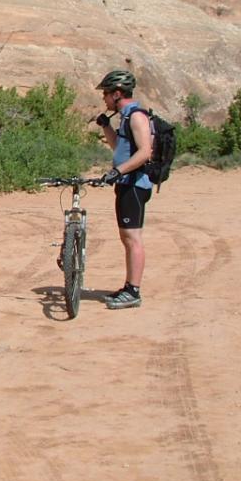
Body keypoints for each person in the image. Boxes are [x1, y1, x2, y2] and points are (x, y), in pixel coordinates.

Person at [94, 69, 153, 310]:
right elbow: (119, 147)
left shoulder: (137, 117)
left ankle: (133, 291)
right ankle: (129, 286)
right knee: (127, 237)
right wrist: (106, 126)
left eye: (106, 94)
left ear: (117, 94)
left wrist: (119, 171)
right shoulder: (126, 117)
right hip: (126, 184)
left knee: (132, 238)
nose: (104, 99)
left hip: (135, 185)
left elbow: (145, 152)